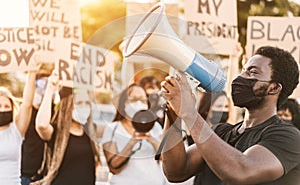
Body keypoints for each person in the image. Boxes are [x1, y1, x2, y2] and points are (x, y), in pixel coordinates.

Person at [160, 46, 300, 184]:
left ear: (274, 88)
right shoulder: (220, 133)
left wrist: (189, 112)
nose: (241, 76)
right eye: (243, 70)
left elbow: (241, 171)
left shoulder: (289, 138)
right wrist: (174, 110)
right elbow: (176, 171)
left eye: (253, 72)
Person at [32, 72, 101, 185]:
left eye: (86, 103)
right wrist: (50, 89)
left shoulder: (91, 131)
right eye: (79, 103)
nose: (84, 107)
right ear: (68, 106)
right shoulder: (56, 131)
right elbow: (41, 125)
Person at [101, 83, 166, 185]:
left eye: (142, 99)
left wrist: (151, 139)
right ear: (124, 104)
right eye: (134, 99)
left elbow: (166, 158)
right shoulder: (113, 128)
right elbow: (113, 166)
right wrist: (132, 143)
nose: (139, 103)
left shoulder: (155, 127)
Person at [0, 70, 37, 185]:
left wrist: (32, 73)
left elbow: (27, 105)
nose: (3, 110)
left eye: (7, 106)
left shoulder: (16, 131)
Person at [21, 65, 55, 185]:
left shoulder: (54, 113)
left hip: (46, 176)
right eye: (39, 84)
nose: (42, 89)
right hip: (25, 176)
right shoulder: (24, 113)